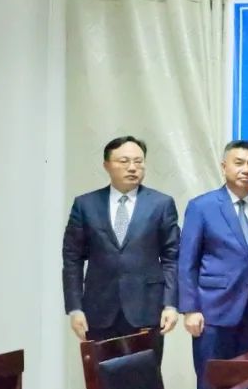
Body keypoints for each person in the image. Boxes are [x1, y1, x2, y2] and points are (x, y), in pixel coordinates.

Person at [62, 136, 179, 364]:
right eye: (124, 161)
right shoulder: (85, 205)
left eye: (138, 161)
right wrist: (75, 308)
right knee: (102, 378)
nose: (133, 167)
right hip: (99, 310)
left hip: (146, 309)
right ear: (107, 165)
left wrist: (170, 304)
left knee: (144, 379)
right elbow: (72, 259)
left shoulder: (161, 204)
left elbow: (172, 257)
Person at [179, 140, 248, 389]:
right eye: (239, 163)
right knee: (211, 384)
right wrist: (190, 309)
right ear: (224, 166)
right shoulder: (201, 206)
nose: (246, 169)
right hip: (213, 311)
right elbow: (187, 261)